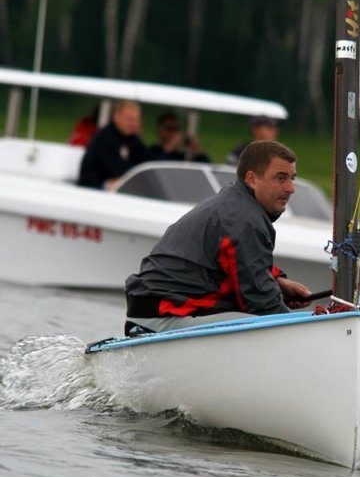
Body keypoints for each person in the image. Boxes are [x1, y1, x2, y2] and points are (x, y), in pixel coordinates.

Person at [124, 140, 312, 335]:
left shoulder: (236, 204)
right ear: (252, 179)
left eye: (292, 178)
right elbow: (262, 302)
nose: (291, 188)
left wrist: (278, 284)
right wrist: (301, 332)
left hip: (157, 310)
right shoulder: (242, 219)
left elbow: (241, 266)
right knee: (276, 323)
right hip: (162, 317)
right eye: (281, 178)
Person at [77, 99, 147, 190]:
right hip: (90, 190)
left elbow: (146, 159)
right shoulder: (105, 138)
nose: (133, 124)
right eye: (130, 120)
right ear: (116, 117)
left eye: (136, 121)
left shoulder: (131, 139)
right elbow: (119, 170)